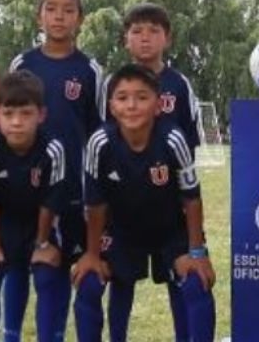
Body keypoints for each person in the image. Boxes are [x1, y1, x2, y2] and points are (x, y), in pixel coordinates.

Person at [72, 64, 216, 342]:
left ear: (158, 105)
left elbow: (191, 198)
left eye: (141, 97)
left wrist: (197, 253)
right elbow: (95, 204)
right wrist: (91, 254)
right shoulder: (99, 143)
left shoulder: (174, 139)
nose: (132, 105)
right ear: (111, 107)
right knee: (89, 284)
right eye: (123, 98)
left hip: (171, 229)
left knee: (197, 283)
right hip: (120, 231)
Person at [8, 0, 102, 335]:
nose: (59, 16)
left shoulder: (91, 70)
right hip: (28, 188)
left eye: (68, 10)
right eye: (51, 8)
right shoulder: (23, 63)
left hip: (73, 193)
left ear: (80, 19)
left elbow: (98, 136)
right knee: (25, 269)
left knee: (66, 273)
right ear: (39, 15)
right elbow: (9, 121)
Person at [112, 1, 201, 340]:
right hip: (125, 203)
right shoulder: (115, 83)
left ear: (168, 38)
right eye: (137, 31)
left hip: (169, 205)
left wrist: (181, 194)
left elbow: (188, 144)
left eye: (153, 31)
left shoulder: (179, 85)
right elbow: (104, 141)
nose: (145, 38)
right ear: (125, 40)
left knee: (182, 280)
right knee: (121, 282)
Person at [0, 70, 67, 342]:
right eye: (9, 113)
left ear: (41, 115)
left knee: (47, 274)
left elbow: (52, 200)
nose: (16, 122)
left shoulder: (53, 148)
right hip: (1, 224)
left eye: (26, 114)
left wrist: (41, 245)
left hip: (41, 223)